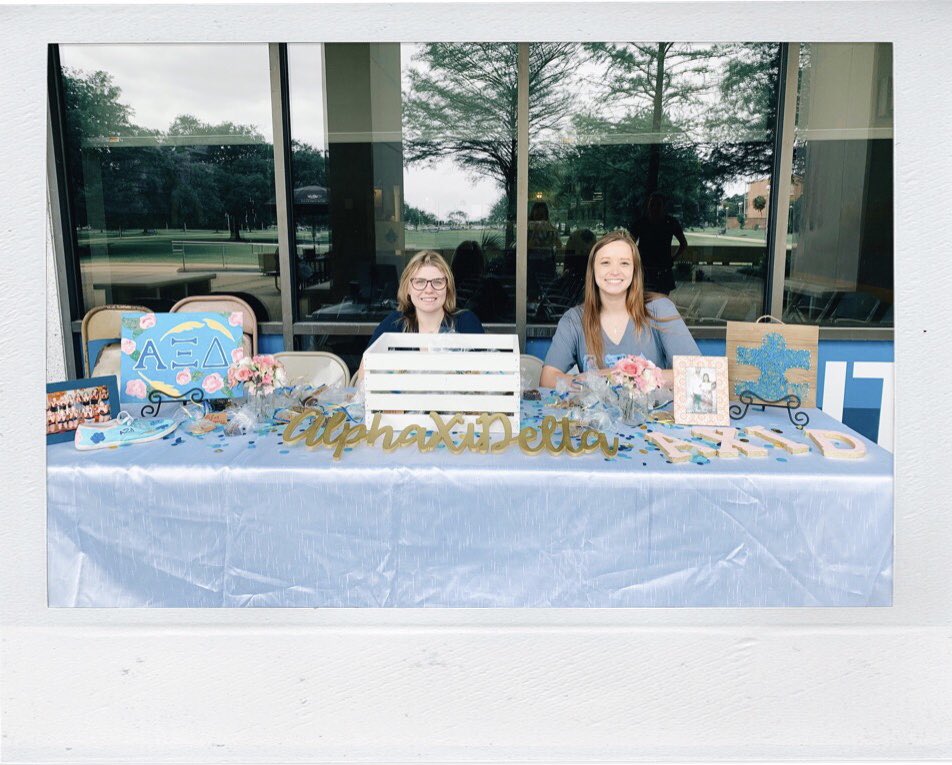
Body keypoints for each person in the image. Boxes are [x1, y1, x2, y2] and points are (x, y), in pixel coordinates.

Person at [540, 229, 699, 388]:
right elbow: (548, 379)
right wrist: (598, 377)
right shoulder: (574, 320)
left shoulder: (659, 309)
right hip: (596, 413)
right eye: (605, 262)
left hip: (652, 413)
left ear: (634, 271)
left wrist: (629, 376)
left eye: (624, 263)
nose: (615, 271)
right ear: (593, 270)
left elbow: (695, 373)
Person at [358, 250, 484, 377]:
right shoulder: (395, 323)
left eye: (437, 282)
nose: (429, 290)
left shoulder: (466, 321)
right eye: (420, 282)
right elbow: (364, 375)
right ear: (408, 288)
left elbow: (485, 376)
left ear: (448, 287)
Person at [627, 192, 688, 295]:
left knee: (654, 303)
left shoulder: (642, 223)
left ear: (664, 206)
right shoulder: (669, 222)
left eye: (658, 204)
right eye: (652, 204)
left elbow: (629, 245)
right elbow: (629, 245)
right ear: (648, 206)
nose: (655, 208)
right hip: (648, 269)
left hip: (656, 269)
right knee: (653, 303)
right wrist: (673, 258)